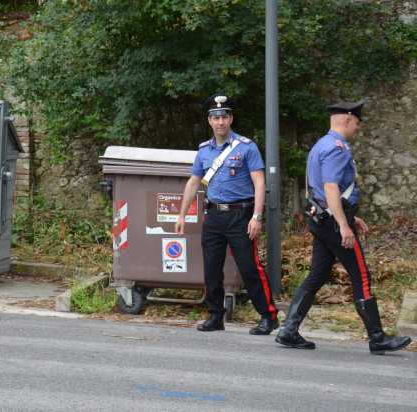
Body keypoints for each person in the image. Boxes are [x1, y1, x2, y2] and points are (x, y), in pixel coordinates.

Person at [276, 100, 411, 354]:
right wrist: (344, 225)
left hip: (323, 220)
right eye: (357, 123)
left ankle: (289, 330)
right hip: (334, 225)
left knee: (317, 275)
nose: (358, 128)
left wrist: (351, 216)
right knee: (361, 275)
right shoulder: (338, 148)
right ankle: (377, 337)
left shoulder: (321, 145)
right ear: (347, 119)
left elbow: (323, 190)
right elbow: (330, 187)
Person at [176, 93, 279, 335]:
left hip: (240, 217)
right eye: (215, 117)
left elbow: (259, 183)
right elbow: (193, 183)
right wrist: (181, 215)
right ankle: (215, 316)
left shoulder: (246, 147)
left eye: (224, 117)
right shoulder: (203, 151)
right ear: (209, 121)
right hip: (213, 216)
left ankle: (268, 316)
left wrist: (257, 216)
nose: (220, 122)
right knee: (211, 269)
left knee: (249, 268)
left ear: (231, 119)